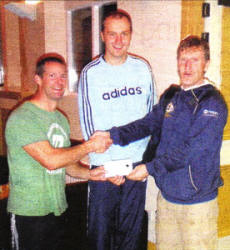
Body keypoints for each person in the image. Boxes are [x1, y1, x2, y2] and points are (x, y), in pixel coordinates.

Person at [94, 35, 228, 249]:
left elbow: (191, 150)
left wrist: (148, 168)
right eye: (182, 59)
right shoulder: (172, 95)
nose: (187, 66)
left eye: (194, 60)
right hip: (167, 198)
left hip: (197, 203)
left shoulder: (211, 102)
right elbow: (148, 124)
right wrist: (112, 136)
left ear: (206, 64)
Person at [5, 53, 111, 250]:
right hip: (28, 214)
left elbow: (67, 164)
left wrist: (90, 174)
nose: (59, 81)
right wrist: (90, 145)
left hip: (57, 211)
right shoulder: (23, 118)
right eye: (52, 76)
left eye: (63, 76)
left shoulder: (60, 119)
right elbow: (51, 160)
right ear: (38, 79)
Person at [77, 9, 157, 250]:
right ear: (102, 35)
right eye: (112, 34)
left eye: (124, 34)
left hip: (135, 168)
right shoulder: (91, 74)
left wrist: (145, 164)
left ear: (130, 35)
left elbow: (152, 119)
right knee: (100, 238)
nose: (118, 41)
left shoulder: (142, 68)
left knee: (130, 238)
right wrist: (108, 167)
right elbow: (88, 125)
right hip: (103, 168)